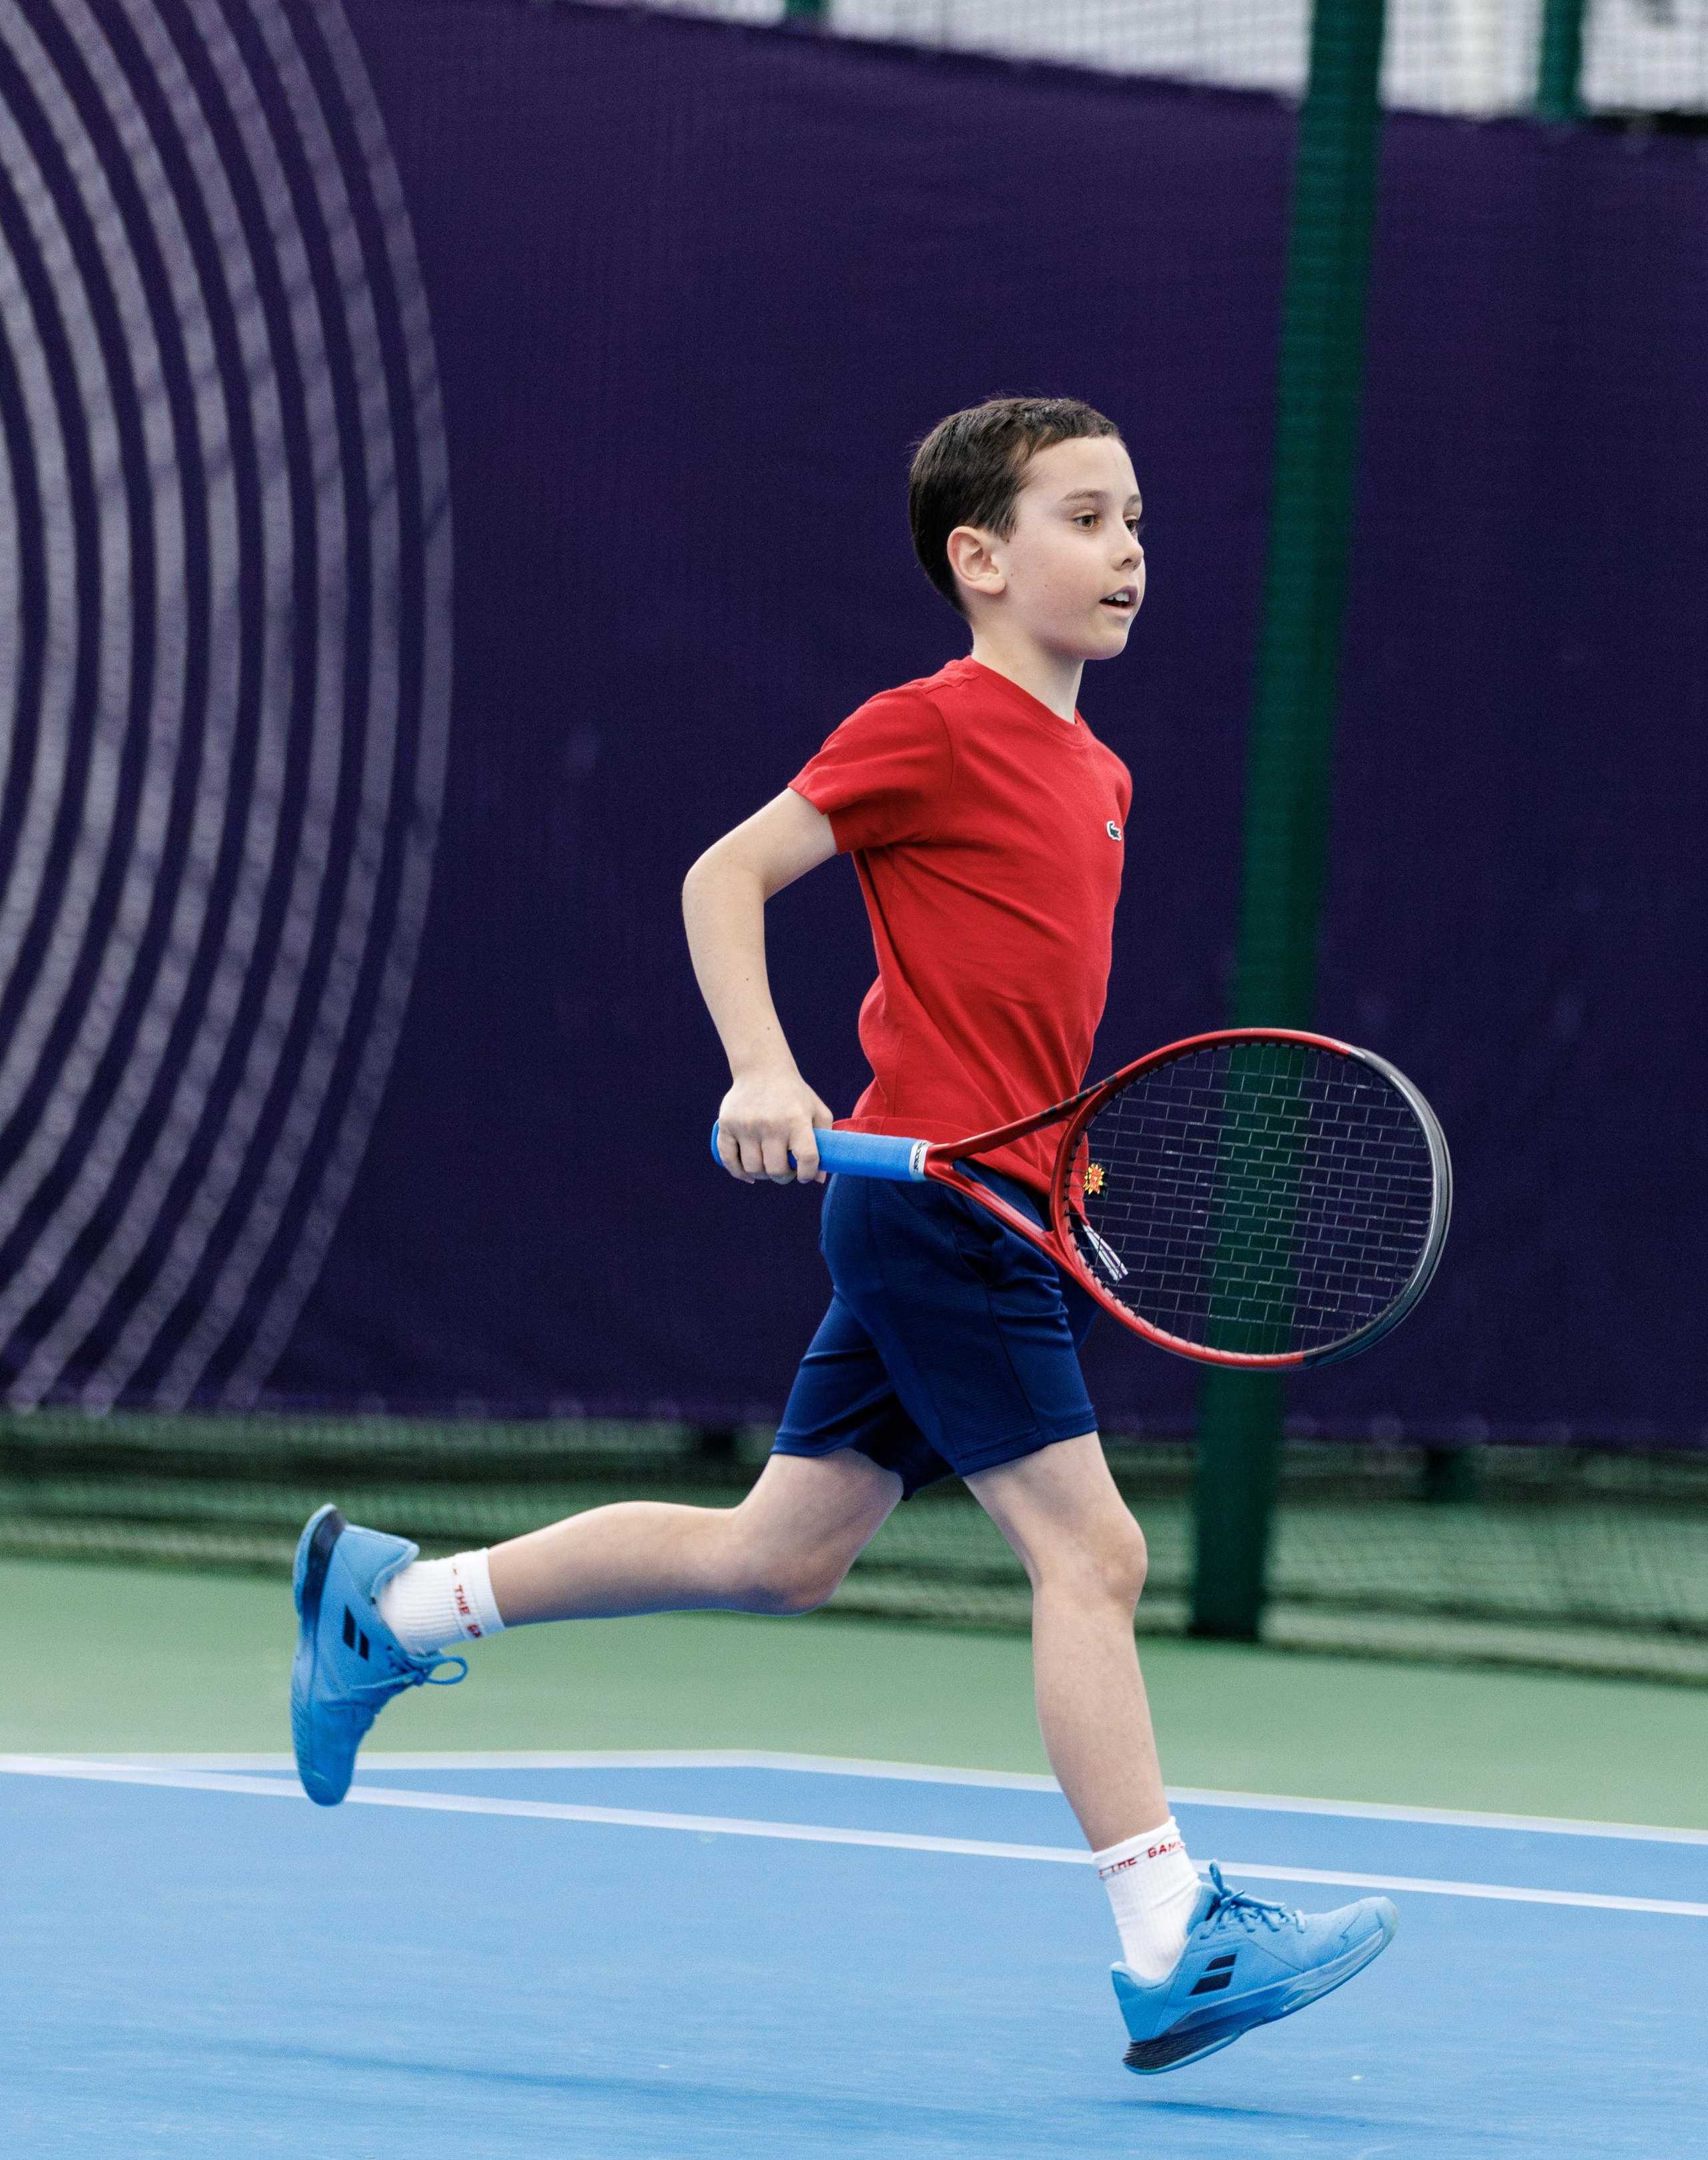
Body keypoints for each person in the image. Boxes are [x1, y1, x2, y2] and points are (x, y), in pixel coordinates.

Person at [289, 396, 1394, 2075]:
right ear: (979, 555)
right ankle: (1170, 1936)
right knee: (1091, 1556)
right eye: (1084, 520)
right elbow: (721, 877)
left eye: (1136, 522)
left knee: (777, 1554)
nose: (1125, 554)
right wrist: (760, 1065)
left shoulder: (1094, 768)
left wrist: (1057, 1169)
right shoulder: (928, 725)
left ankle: (399, 1605)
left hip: (998, 1203)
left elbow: (1006, 1006)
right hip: (928, 1209)